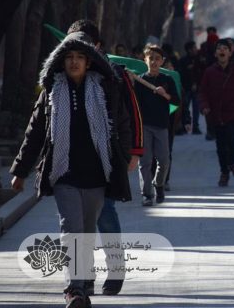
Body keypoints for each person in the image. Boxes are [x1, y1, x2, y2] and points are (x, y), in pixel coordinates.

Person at [10, 32, 133, 308]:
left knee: (86, 232)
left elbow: (123, 125)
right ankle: (74, 289)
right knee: (71, 229)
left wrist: (123, 158)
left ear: (89, 62)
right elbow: (35, 132)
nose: (74, 62)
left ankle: (84, 280)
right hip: (64, 173)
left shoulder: (105, 90)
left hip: (97, 175)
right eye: (69, 57)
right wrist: (21, 169)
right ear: (61, 62)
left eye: (79, 57)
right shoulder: (52, 91)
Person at [65, 20, 143, 297]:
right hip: (73, 160)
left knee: (105, 214)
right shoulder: (62, 73)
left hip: (106, 159)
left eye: (84, 45)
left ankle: (115, 267)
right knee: (75, 222)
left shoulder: (116, 75)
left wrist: (134, 151)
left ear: (97, 46)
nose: (76, 55)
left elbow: (132, 114)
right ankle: (82, 277)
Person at [199, 38, 234, 186]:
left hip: (233, 114)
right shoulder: (209, 72)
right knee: (220, 146)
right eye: (219, 49)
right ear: (215, 54)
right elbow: (203, 92)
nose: (222, 51)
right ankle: (224, 172)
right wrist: (204, 106)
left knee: (232, 142)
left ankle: (232, 162)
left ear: (230, 53)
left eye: (225, 49)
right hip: (215, 115)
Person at [135, 44, 179, 206]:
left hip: (161, 125)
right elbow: (134, 105)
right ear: (145, 60)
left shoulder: (167, 80)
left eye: (157, 59)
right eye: (150, 58)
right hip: (144, 126)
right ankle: (146, 194)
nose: (153, 62)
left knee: (164, 160)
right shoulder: (140, 80)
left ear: (162, 61)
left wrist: (165, 94)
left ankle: (159, 184)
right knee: (145, 162)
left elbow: (176, 101)